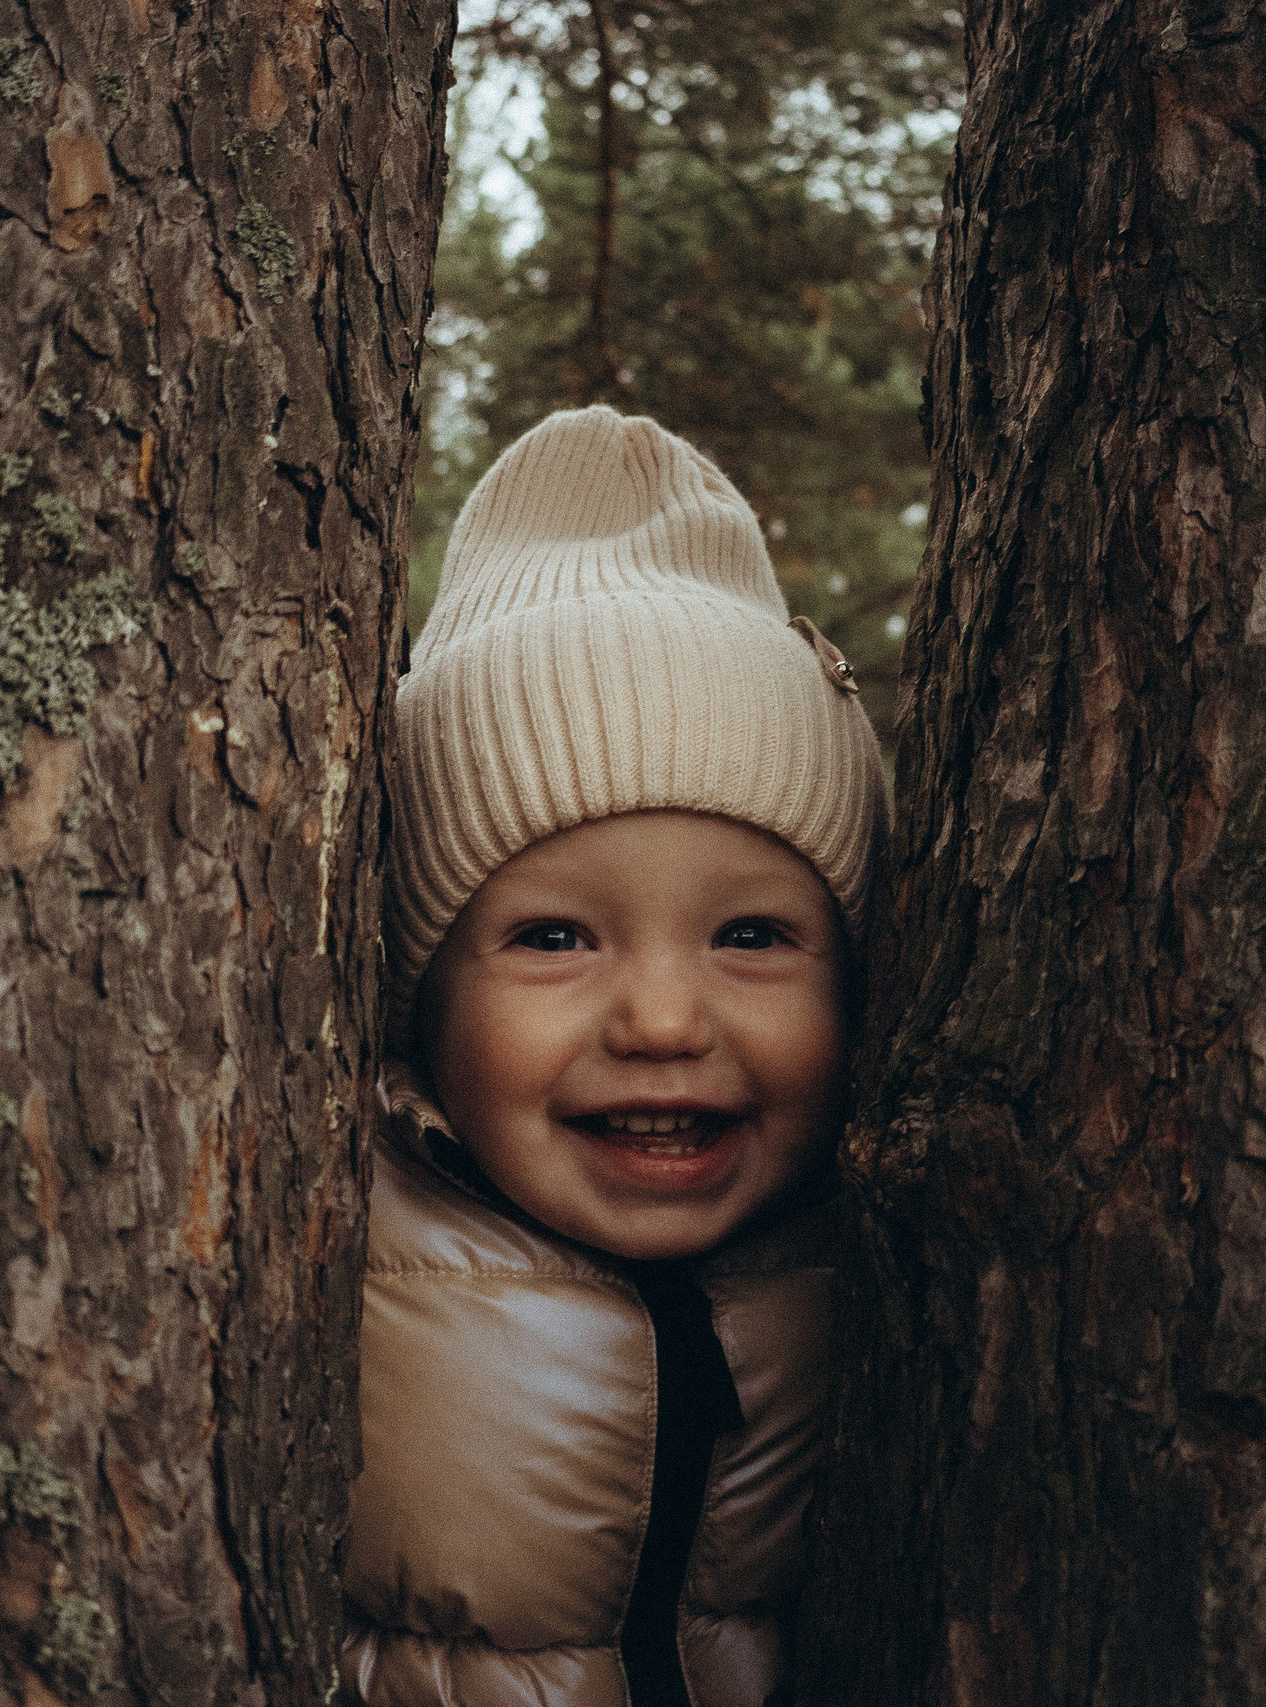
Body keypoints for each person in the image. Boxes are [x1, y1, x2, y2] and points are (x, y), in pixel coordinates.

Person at [342, 405, 887, 1707]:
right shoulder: (334, 1267)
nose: (660, 1021)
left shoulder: (896, 1281)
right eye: (553, 937)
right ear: (420, 1003)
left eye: (750, 934)